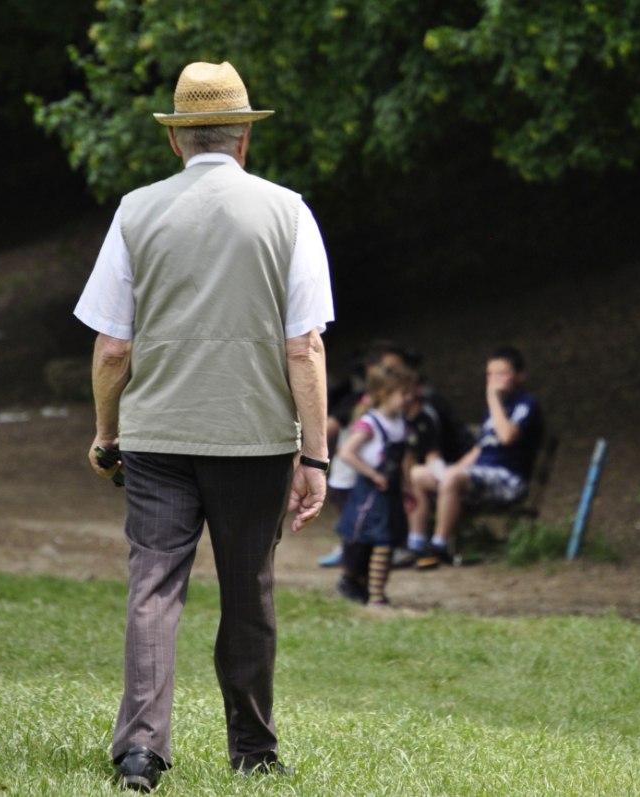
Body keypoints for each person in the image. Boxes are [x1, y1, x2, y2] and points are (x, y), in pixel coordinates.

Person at [75, 61, 333, 791]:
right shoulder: (288, 212)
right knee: (249, 587)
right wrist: (314, 457)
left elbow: (113, 344)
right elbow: (304, 346)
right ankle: (252, 749)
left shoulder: (135, 210)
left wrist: (107, 431)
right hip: (253, 439)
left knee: (154, 584)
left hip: (156, 436)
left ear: (177, 141)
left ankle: (140, 751)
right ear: (244, 137)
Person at [405, 346, 543, 569]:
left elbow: (507, 436)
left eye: (502, 374)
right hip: (480, 475)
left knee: (451, 478)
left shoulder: (526, 404)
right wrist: (451, 470)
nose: (494, 380)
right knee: (417, 474)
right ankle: (416, 544)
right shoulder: (495, 408)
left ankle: (439, 547)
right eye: (490, 374)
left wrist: (492, 398)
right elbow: (479, 450)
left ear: (520, 375)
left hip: (509, 479)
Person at [318, 340, 411, 567]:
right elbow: (332, 428)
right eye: (389, 370)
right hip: (349, 479)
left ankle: (363, 563)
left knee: (368, 526)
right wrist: (313, 456)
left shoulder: (396, 416)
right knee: (358, 526)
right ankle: (352, 567)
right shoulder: (357, 402)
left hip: (370, 480)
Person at [333, 363, 415, 604]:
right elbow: (346, 452)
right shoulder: (370, 422)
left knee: (387, 540)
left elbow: (404, 460)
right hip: (371, 492)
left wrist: (407, 486)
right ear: (384, 394)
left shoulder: (400, 423)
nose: (408, 399)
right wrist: (372, 474)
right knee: (368, 540)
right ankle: (364, 589)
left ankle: (374, 591)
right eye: (404, 393)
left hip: (391, 491)